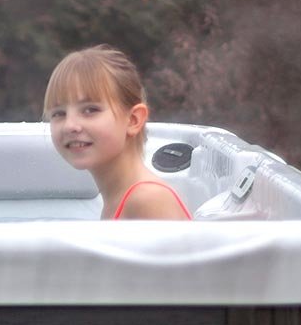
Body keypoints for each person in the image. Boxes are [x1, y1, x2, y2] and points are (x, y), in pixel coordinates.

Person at [44, 45, 191, 219]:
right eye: (59, 113)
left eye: (90, 110)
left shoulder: (148, 200)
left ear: (133, 120)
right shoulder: (119, 199)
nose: (70, 125)